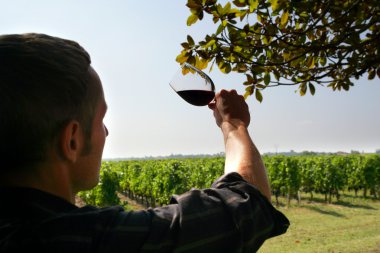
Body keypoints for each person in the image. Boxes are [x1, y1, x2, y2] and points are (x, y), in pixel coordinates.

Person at [0, 33, 289, 253]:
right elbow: (248, 205)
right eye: (101, 119)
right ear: (72, 140)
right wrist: (233, 125)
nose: (106, 132)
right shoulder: (76, 239)